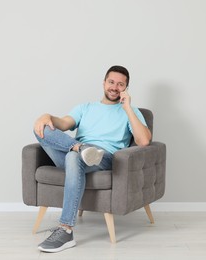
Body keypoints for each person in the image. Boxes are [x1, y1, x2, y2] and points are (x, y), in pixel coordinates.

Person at [33, 65, 151, 253]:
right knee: (41, 129)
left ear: (126, 89)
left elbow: (143, 141)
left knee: (73, 157)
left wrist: (127, 107)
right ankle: (80, 148)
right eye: (111, 82)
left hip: (103, 158)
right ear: (104, 83)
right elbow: (63, 124)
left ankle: (65, 230)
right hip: (77, 154)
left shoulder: (131, 111)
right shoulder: (85, 107)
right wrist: (47, 116)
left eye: (121, 85)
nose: (114, 87)